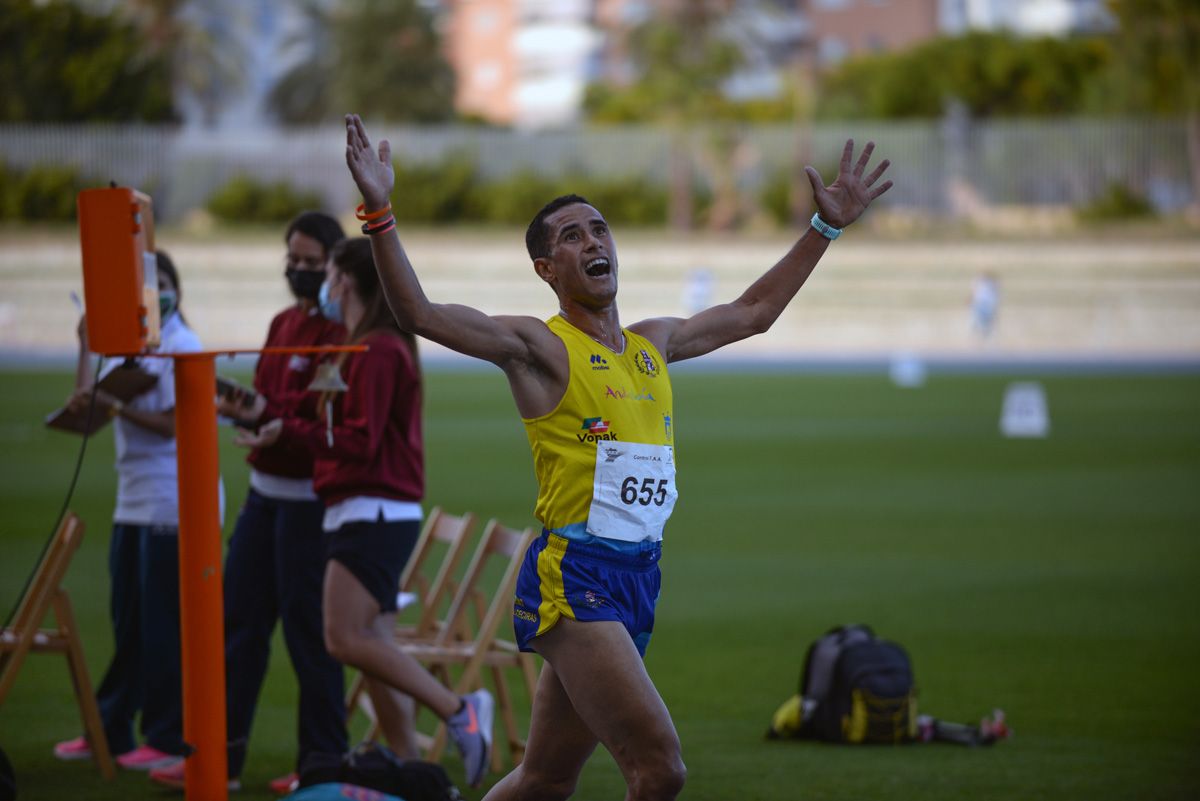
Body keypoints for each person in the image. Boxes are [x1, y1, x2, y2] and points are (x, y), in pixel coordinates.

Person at [342, 113, 893, 800]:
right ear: (547, 268)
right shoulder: (539, 348)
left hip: (638, 577)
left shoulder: (652, 343)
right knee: (660, 768)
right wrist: (380, 210)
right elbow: (420, 312)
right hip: (576, 578)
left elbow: (753, 312)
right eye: (570, 236)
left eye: (598, 228)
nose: (592, 240)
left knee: (544, 778)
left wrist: (825, 228)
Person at [232, 237, 495, 788]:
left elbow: (359, 440)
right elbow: (321, 416)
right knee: (372, 649)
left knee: (343, 639)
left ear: (345, 281)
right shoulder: (355, 346)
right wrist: (268, 416)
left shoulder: (376, 350)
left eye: (325, 272)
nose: (322, 285)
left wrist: (292, 429)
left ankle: (459, 709)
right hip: (362, 510)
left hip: (372, 510)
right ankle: (412, 770)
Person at [149, 212, 350, 794]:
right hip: (264, 497)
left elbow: (314, 417)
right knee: (236, 626)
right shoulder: (283, 321)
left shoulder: (338, 332)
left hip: (309, 503)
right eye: (294, 258)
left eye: (313, 263)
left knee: (310, 636)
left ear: (334, 267)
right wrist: (249, 408)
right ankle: (219, 757)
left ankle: (322, 765)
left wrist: (267, 415)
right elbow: (271, 397)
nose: (299, 270)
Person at [54, 251, 210, 772]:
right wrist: (83, 345)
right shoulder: (135, 347)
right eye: (149, 283)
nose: (156, 291)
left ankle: (165, 736)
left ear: (177, 291)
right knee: (129, 622)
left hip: (172, 495)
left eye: (164, 282)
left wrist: (117, 407)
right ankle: (110, 726)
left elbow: (176, 425)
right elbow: (85, 400)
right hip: (135, 497)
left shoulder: (183, 346)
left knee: (161, 625)